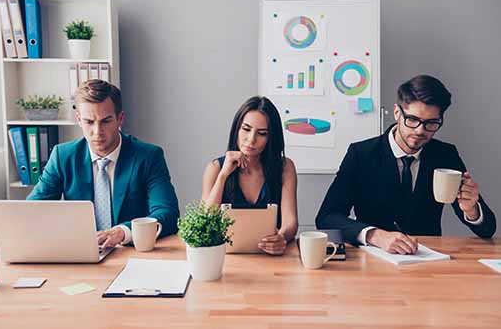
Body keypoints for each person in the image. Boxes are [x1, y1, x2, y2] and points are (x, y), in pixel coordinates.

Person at [315, 75, 496, 254]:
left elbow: (488, 230)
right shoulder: (361, 154)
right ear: (397, 112)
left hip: (428, 259)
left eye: (431, 123)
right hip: (373, 257)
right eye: (412, 119)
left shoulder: (445, 155)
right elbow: (327, 217)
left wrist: (472, 210)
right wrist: (375, 235)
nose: (420, 130)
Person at [27, 79, 179, 248]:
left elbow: (168, 214)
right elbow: (32, 210)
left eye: (106, 121)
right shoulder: (62, 156)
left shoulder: (148, 157)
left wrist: (123, 232)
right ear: (78, 119)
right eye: (89, 122)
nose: (97, 132)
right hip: (79, 253)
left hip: (131, 253)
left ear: (120, 119)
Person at [201, 96, 298, 255]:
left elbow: (290, 222)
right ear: (237, 129)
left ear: (271, 138)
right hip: (226, 259)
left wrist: (282, 237)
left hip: (272, 259)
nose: (251, 140)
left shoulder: (285, 168)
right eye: (246, 129)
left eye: (262, 133)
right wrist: (223, 176)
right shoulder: (215, 168)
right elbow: (204, 223)